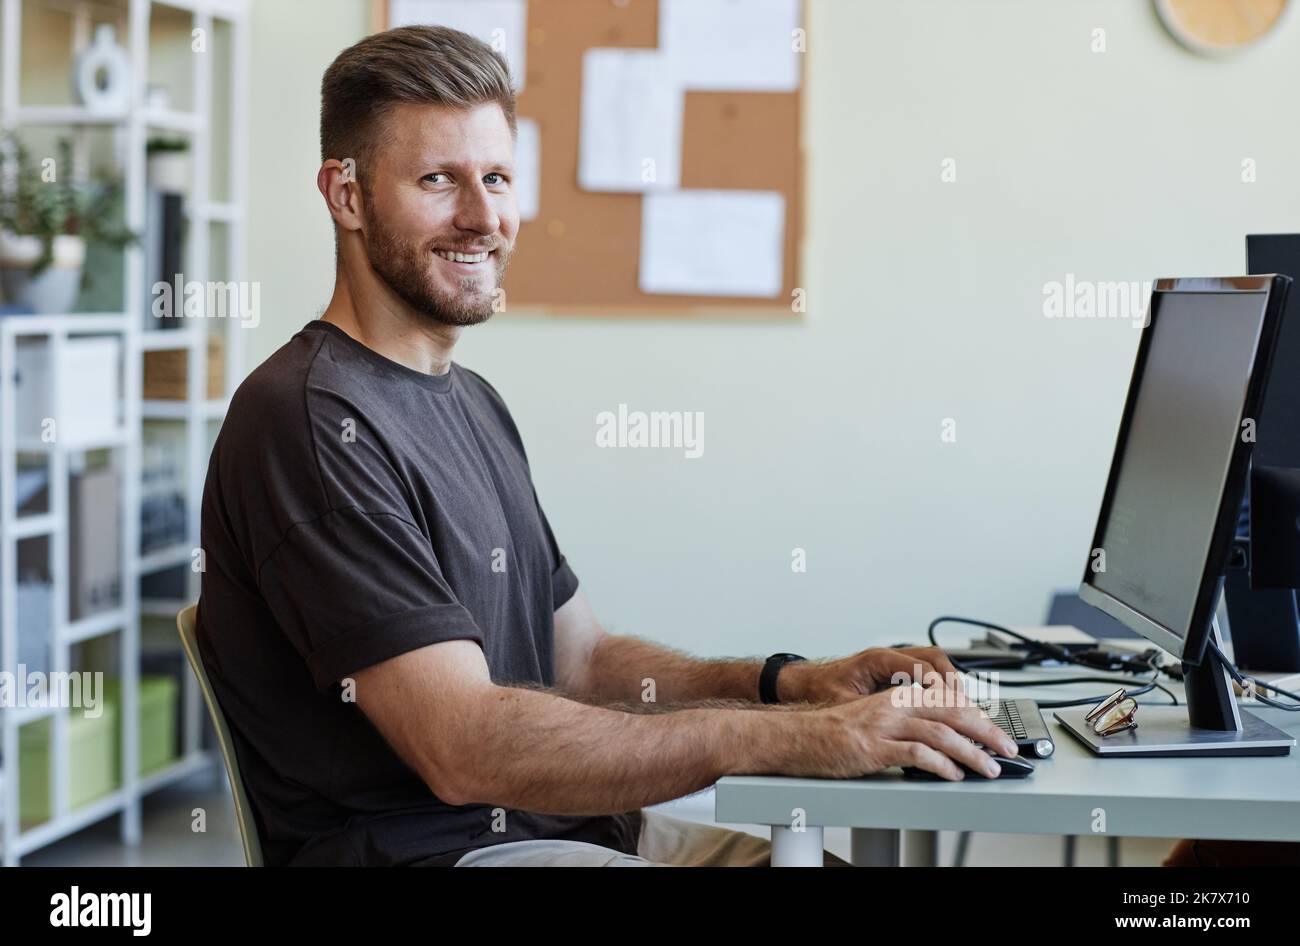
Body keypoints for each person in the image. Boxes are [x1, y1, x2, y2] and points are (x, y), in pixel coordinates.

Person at [196, 25, 1016, 867]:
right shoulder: (310, 423)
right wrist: (788, 739)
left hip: (556, 826)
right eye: (438, 180)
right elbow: (461, 746)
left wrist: (788, 686)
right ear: (347, 195)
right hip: (440, 852)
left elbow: (579, 661)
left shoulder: (472, 404)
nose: (483, 218)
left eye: (499, 178)